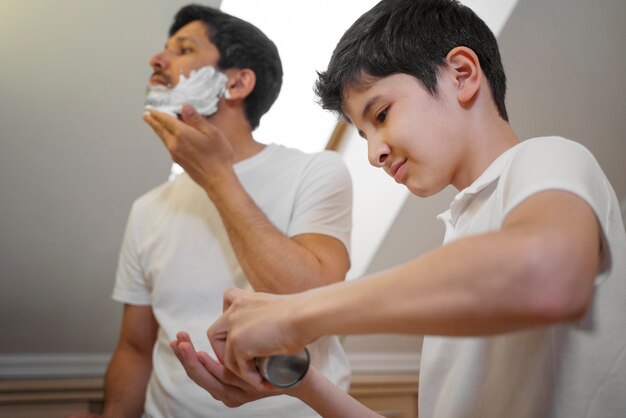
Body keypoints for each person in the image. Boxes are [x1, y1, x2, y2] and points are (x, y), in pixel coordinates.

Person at [173, 0, 626, 417]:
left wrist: (298, 312)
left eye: (382, 115)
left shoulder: (549, 158)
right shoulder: (464, 230)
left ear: (462, 74)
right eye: (364, 134)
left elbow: (549, 273)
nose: (373, 154)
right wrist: (302, 382)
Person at [68, 4, 353, 418]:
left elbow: (308, 301)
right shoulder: (147, 210)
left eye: (183, 49)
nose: (156, 60)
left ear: (237, 83)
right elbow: (134, 348)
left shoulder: (317, 170)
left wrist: (218, 178)